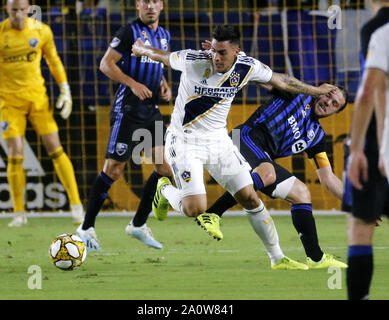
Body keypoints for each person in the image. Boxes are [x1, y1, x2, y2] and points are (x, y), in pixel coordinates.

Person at [132, 25, 338, 266]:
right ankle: (164, 189)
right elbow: (163, 56)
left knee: (249, 196)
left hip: (219, 142)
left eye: (222, 52)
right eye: (214, 51)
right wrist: (141, 48)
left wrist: (316, 91)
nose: (216, 57)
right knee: (194, 208)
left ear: (236, 52)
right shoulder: (193, 60)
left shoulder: (247, 66)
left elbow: (283, 80)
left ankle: (277, 258)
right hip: (185, 141)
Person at [204, 84, 349, 269]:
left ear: (336, 112)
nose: (328, 102)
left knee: (301, 193)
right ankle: (213, 213)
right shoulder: (296, 94)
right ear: (321, 91)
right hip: (243, 138)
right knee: (268, 172)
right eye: (328, 96)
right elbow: (266, 80)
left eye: (334, 104)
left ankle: (315, 258)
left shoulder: (316, 137)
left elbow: (328, 178)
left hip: (261, 160)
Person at [76, 0, 173, 251]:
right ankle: (85, 228)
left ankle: (138, 225)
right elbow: (105, 64)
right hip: (128, 109)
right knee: (114, 169)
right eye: (145, 1)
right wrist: (132, 83)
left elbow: (153, 62)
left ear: (161, 5)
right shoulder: (128, 32)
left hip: (151, 109)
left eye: (155, 1)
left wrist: (162, 81)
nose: (150, 6)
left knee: (164, 167)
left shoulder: (164, 35)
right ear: (138, 5)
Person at [0, 0, 84, 226]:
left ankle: (77, 206)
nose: (18, 15)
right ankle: (19, 213)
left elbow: (54, 61)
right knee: (15, 153)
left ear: (28, 9)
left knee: (55, 148)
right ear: (6, 10)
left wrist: (65, 90)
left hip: (38, 99)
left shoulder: (42, 31)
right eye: (13, 11)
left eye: (22, 10)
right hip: (9, 102)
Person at [347, 0, 389, 300]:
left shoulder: (378, 30)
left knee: (361, 227)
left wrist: (359, 148)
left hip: (378, 140)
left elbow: (368, 93)